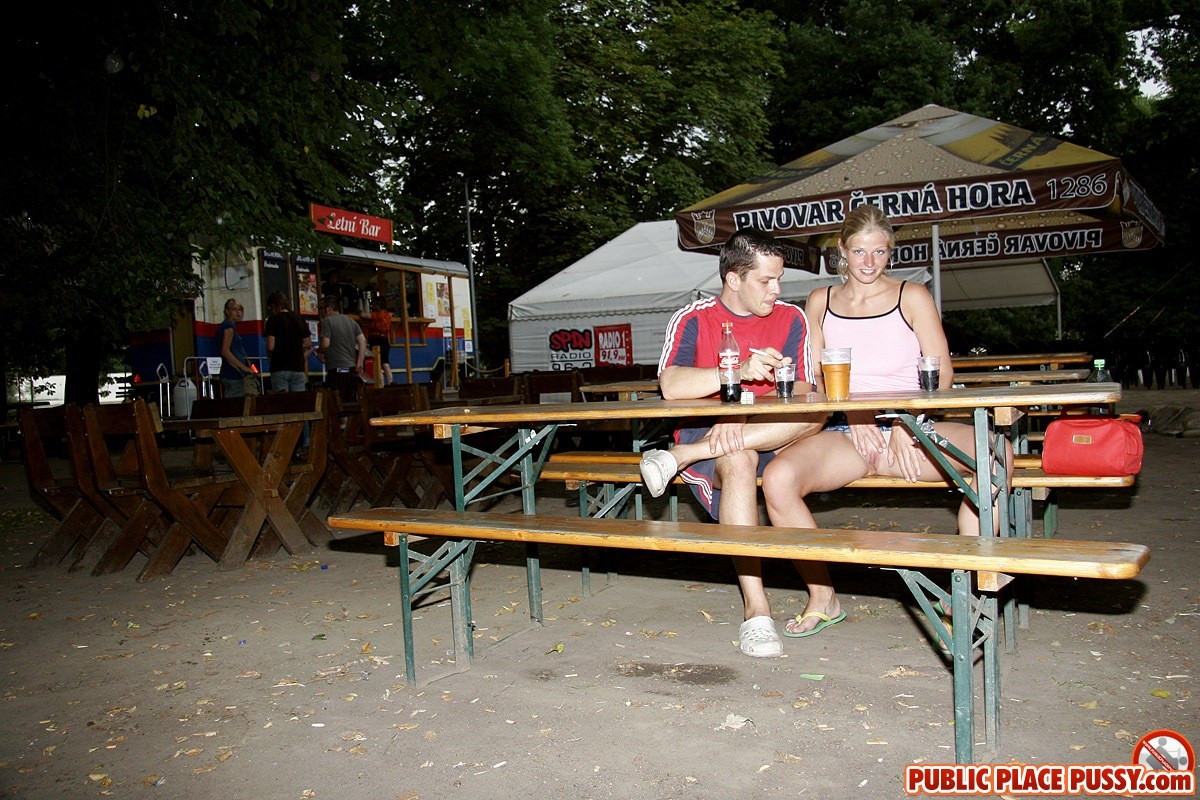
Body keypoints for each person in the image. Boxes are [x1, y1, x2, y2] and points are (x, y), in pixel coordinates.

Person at [760, 204, 1012, 637]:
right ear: (842, 250)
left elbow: (942, 373)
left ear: (890, 252)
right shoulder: (820, 301)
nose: (869, 262)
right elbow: (815, 373)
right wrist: (854, 414)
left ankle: (969, 588)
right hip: (848, 432)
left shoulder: (911, 295)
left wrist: (903, 422)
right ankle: (823, 595)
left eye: (879, 252)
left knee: (996, 452)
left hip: (910, 429)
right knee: (779, 479)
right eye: (859, 251)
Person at [637, 228, 825, 658]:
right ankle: (757, 612)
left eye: (779, 279)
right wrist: (737, 374)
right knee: (738, 457)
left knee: (816, 414)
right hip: (712, 434)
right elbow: (671, 385)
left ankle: (681, 457)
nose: (777, 290)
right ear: (733, 279)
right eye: (766, 281)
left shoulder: (792, 318)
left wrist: (745, 409)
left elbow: (805, 391)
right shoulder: (693, 318)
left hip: (772, 431)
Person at [317, 294, 367, 402]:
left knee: (335, 403)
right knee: (349, 402)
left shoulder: (327, 321)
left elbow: (325, 344)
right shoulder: (351, 321)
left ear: (328, 308)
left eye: (321, 308)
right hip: (351, 368)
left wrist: (319, 351)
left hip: (336, 368)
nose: (319, 312)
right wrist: (360, 362)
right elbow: (362, 341)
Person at [216, 298, 254, 398]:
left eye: (240, 309)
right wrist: (243, 367)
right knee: (235, 406)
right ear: (227, 311)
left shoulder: (227, 326)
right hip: (233, 373)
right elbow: (225, 351)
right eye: (234, 309)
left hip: (229, 372)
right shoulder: (229, 326)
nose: (238, 312)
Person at [365, 296, 395, 385]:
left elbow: (364, 315)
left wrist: (359, 311)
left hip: (375, 340)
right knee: (385, 362)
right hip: (385, 339)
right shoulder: (388, 315)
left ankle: (380, 384)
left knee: (377, 363)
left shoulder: (375, 315)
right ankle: (390, 382)